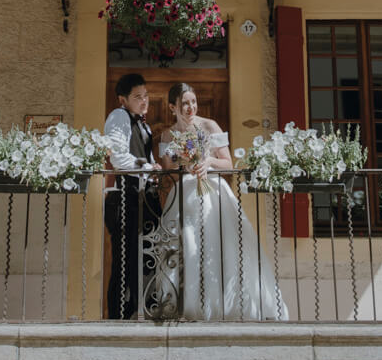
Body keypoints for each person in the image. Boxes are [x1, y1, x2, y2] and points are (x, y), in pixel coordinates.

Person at [159, 81, 287, 321]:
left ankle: (224, 303)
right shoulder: (168, 134)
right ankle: (188, 305)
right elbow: (169, 169)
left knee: (219, 245)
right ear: (172, 107)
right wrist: (185, 163)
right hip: (184, 194)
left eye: (193, 102)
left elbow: (228, 163)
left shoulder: (210, 126)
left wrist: (207, 162)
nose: (190, 107)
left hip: (213, 193)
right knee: (188, 246)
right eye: (184, 103)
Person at [104, 73, 162, 319]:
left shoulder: (142, 123)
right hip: (126, 200)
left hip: (142, 199)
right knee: (125, 261)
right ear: (123, 100)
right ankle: (119, 318)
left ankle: (141, 312)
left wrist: (152, 170)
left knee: (144, 257)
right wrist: (149, 168)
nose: (144, 100)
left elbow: (142, 157)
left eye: (146, 95)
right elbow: (118, 157)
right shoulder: (119, 116)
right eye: (138, 97)